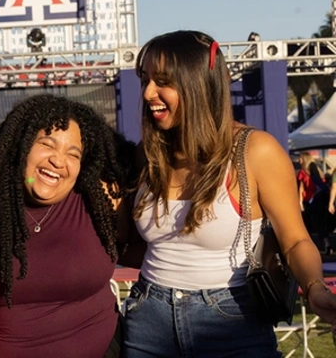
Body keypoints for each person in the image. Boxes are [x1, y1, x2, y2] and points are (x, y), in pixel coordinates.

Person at [122, 30, 336, 357]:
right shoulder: (148, 155)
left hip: (231, 318)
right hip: (148, 319)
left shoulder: (256, 150)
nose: (149, 92)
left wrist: (316, 289)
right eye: (144, 80)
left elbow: (294, 239)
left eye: (162, 80)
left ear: (198, 84)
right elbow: (137, 247)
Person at [0, 94, 136, 358]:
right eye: (47, 144)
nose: (58, 160)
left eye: (72, 154)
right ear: (20, 145)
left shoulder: (102, 200)